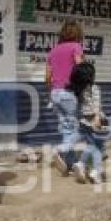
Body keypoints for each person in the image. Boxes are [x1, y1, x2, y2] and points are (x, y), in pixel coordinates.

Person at [47, 21, 85, 176]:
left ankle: (70, 164)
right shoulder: (76, 47)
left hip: (55, 93)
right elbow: (81, 69)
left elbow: (47, 76)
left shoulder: (53, 51)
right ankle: (59, 150)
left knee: (66, 129)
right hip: (70, 92)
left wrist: (54, 90)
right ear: (77, 34)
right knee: (78, 129)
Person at [67, 62, 108, 185]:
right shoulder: (93, 88)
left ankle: (81, 165)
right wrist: (96, 118)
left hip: (84, 120)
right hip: (95, 121)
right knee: (97, 148)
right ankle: (95, 172)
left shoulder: (79, 89)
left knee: (92, 146)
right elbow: (96, 104)